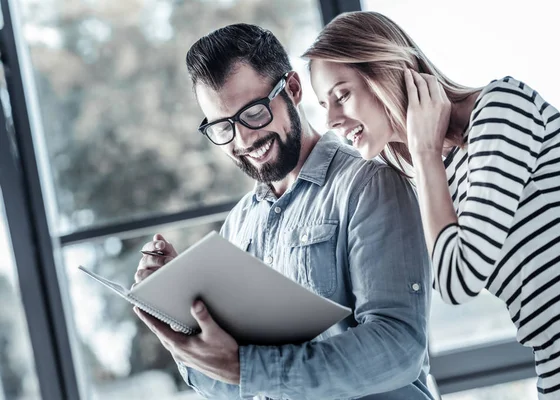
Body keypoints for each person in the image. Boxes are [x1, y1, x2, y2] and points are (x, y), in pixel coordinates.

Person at [304, 10, 560, 400]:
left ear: (388, 70)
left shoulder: (501, 108)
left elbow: (458, 279)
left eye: (342, 95)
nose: (331, 119)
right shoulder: (443, 175)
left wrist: (423, 148)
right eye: (324, 104)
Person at [133, 23, 434, 399]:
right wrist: (180, 310)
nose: (243, 140)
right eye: (223, 127)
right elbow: (232, 387)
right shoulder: (239, 225)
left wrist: (252, 368)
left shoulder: (368, 185)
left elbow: (398, 349)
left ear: (292, 88)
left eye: (253, 113)